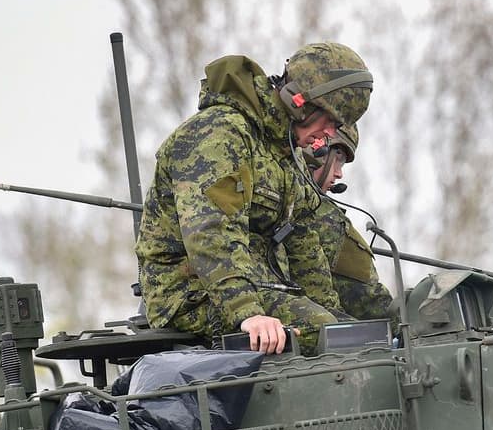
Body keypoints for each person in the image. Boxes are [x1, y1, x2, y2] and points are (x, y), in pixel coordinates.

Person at [135, 43, 372, 354]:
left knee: (351, 338)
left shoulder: (284, 154)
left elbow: (302, 242)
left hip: (259, 290)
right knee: (319, 333)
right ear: (300, 103)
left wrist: (334, 315)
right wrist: (247, 313)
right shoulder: (220, 133)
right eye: (328, 121)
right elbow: (211, 231)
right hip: (191, 294)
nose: (326, 136)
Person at [304, 125, 394, 323]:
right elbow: (369, 301)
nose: (339, 174)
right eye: (338, 159)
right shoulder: (323, 217)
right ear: (316, 151)